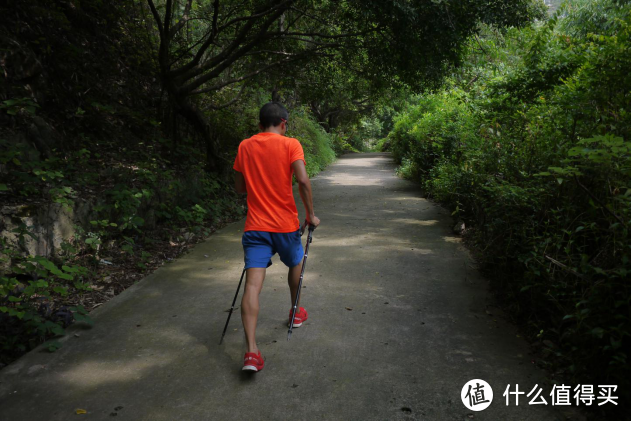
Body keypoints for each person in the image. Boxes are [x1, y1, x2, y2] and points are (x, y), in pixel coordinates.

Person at [233, 102, 321, 372]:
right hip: (284, 226)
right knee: (296, 263)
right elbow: (303, 181)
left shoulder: (245, 146)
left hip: (256, 226)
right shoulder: (291, 144)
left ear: (260, 125)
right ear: (284, 123)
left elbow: (239, 187)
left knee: (252, 285)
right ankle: (295, 312)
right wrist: (310, 215)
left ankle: (251, 353)